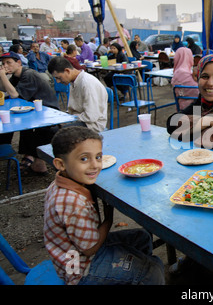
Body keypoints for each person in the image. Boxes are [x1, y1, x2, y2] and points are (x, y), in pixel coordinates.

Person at [44, 126, 165, 285]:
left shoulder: (62, 182)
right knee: (153, 270)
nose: (95, 165)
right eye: (84, 159)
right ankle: (142, 275)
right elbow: (90, 249)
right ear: (60, 164)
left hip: (80, 252)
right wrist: (108, 219)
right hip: (81, 269)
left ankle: (132, 277)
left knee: (141, 237)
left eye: (98, 157)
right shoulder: (70, 201)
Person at [0, 51, 59, 176]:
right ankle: (27, 156)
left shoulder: (28, 74)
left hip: (48, 110)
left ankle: (34, 159)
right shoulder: (17, 76)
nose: (6, 66)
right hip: (32, 110)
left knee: (27, 126)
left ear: (19, 63)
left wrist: (3, 76)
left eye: (9, 63)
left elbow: (14, 94)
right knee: (15, 123)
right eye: (3, 63)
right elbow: (6, 90)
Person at [48, 56, 108, 132]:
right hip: (80, 120)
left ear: (67, 71)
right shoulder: (73, 82)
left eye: (59, 78)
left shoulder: (87, 83)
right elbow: (74, 109)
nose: (58, 81)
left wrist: (69, 119)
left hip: (92, 125)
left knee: (59, 133)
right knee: (49, 129)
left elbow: (91, 116)